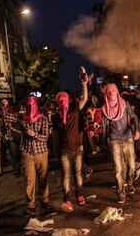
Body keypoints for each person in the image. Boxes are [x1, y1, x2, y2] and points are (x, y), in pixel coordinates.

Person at [53, 75, 88, 212]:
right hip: (64, 149)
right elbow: (55, 136)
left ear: (68, 100)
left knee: (78, 173)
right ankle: (67, 199)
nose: (63, 103)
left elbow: (84, 99)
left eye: (64, 99)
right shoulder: (56, 117)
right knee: (66, 175)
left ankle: (79, 194)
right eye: (59, 101)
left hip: (77, 147)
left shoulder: (74, 108)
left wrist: (84, 84)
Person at [102, 83, 140, 204]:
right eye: (109, 91)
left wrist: (136, 130)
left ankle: (129, 183)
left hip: (128, 137)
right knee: (118, 169)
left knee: (132, 166)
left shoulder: (124, 104)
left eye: (114, 90)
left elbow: (134, 117)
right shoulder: (104, 108)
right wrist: (103, 143)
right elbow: (104, 127)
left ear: (117, 92)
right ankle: (121, 193)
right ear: (106, 94)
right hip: (114, 140)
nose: (112, 93)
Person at [21, 96, 52, 215]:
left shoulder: (43, 119)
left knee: (43, 178)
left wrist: (35, 135)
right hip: (27, 153)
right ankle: (30, 205)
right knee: (30, 180)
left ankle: (44, 201)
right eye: (28, 105)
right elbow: (8, 116)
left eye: (32, 105)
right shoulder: (23, 120)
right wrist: (4, 106)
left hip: (41, 153)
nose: (31, 107)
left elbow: (45, 137)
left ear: (36, 105)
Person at [0, 99, 22, 175]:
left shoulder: (18, 114)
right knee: (14, 153)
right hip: (11, 137)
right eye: (3, 106)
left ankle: (19, 167)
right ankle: (16, 169)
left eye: (7, 105)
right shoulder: (6, 115)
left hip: (19, 137)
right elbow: (7, 120)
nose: (5, 107)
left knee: (18, 153)